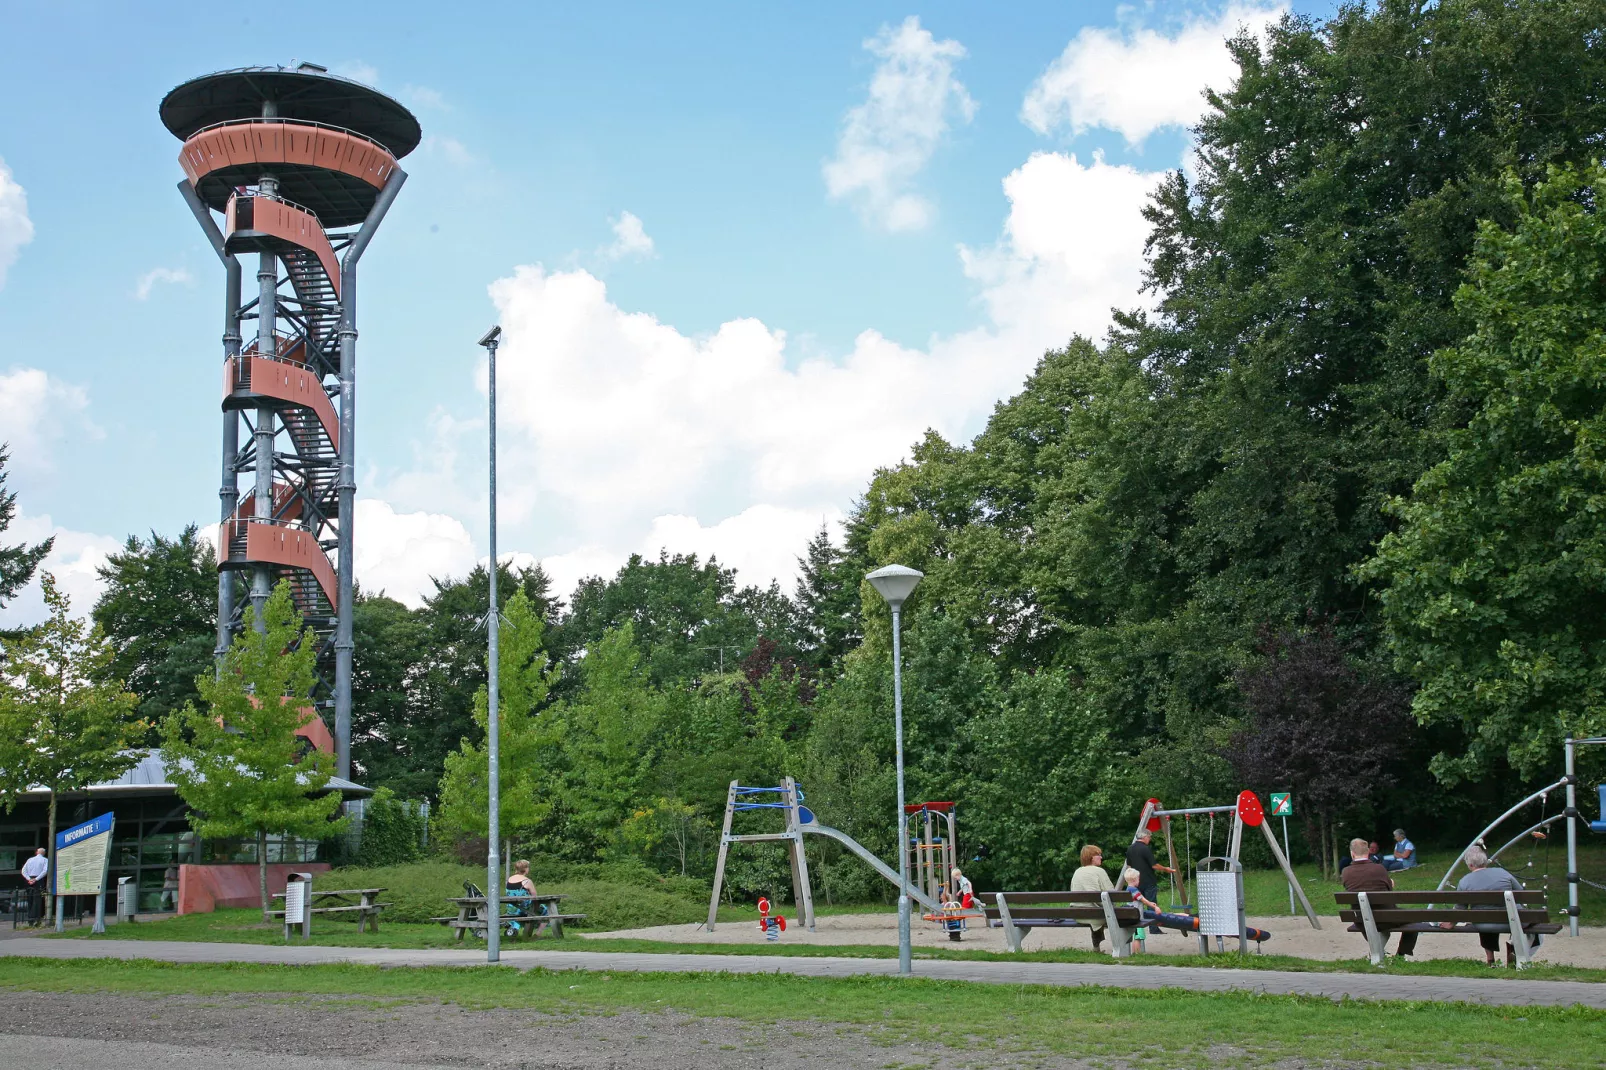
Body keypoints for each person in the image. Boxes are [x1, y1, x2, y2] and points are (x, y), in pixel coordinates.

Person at [1446, 846, 1532, 967]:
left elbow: (1460, 908)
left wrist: (1450, 924)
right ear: (1485, 861)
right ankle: (1514, 949)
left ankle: (1490, 960)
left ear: (1470, 865)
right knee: (1512, 912)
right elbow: (1521, 895)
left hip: (1484, 924)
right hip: (1512, 922)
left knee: (1483, 912)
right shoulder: (1502, 873)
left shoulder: (1464, 881)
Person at [1340, 837, 1417, 961]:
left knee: (1374, 923)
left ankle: (1377, 952)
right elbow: (1388, 892)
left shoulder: (1346, 872)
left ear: (1352, 853)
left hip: (1361, 920)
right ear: (1369, 852)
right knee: (1414, 918)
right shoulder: (1379, 868)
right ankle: (1401, 954)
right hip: (1385, 917)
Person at [1070, 844, 1116, 952]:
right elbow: (1112, 894)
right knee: (1107, 911)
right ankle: (1120, 947)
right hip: (1094, 914)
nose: (1101, 857)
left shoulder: (1077, 872)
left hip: (1077, 913)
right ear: (1091, 857)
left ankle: (1096, 948)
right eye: (1098, 855)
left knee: (1094, 909)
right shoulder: (1099, 871)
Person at [1124, 829, 1175, 906]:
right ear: (1145, 837)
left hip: (1136, 881)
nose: (1150, 839)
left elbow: (1129, 866)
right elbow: (1154, 865)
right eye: (1149, 837)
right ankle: (1153, 917)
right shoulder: (1145, 848)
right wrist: (1165, 869)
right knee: (1152, 904)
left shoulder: (1130, 848)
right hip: (1148, 881)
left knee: (1137, 904)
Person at [1121, 867, 1161, 955]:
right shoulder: (1134, 891)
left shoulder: (1128, 889)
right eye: (1139, 878)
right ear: (1135, 879)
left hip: (1130, 917)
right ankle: (1137, 954)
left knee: (1136, 936)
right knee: (1138, 937)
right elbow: (1144, 901)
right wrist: (1154, 907)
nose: (1139, 881)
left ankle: (1135, 952)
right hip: (1136, 918)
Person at [504, 859, 536, 936]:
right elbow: (535, 896)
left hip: (511, 908)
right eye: (528, 867)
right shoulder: (527, 881)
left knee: (521, 911)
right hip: (524, 909)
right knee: (544, 910)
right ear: (525, 869)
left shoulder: (509, 879)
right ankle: (537, 934)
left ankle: (513, 928)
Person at [20, 848, 48, 925]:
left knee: (30, 899)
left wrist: (29, 879)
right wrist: (36, 879)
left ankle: (30, 919)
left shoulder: (30, 860)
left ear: (36, 852)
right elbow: (45, 871)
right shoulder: (45, 860)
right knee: (37, 900)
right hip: (39, 880)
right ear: (44, 853)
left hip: (29, 881)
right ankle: (36, 918)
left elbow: (23, 871)